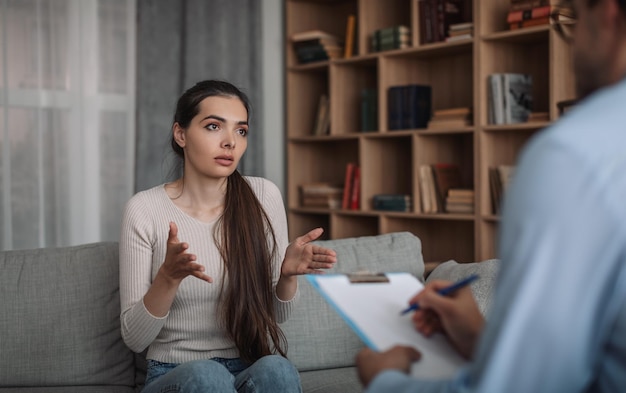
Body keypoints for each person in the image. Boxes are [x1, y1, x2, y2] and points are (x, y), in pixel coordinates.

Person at [356, 0, 626, 391]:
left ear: (608, 12)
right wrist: (486, 344)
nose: (572, 43)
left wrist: (384, 380)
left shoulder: (574, 155)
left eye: (575, 20)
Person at [119, 79, 337, 393]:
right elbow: (134, 338)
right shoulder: (143, 209)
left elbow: (280, 315)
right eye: (213, 127)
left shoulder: (263, 196)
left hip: (246, 364)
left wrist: (287, 277)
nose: (230, 142)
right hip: (175, 372)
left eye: (241, 130)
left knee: (277, 368)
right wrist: (168, 277)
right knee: (207, 377)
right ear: (181, 134)